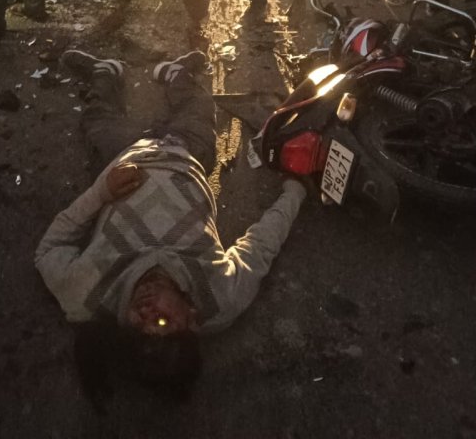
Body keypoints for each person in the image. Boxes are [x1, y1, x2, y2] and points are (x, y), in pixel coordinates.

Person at [35, 49, 306, 393]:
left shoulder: (86, 294)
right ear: (191, 319)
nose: (144, 311)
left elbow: (48, 251)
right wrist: (296, 190)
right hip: (187, 153)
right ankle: (176, 72)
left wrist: (101, 192)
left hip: (126, 153)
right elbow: (262, 244)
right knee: (200, 104)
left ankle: (106, 71)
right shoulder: (221, 296)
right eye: (161, 321)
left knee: (97, 119)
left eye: (137, 326)